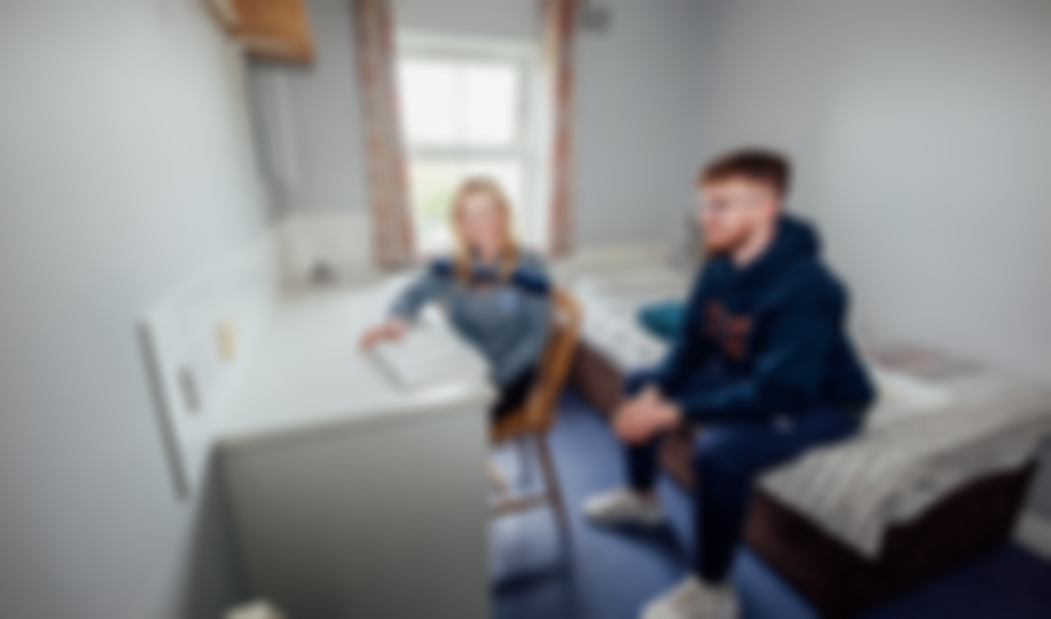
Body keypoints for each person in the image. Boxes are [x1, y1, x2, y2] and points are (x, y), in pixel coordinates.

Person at [582, 150, 876, 619]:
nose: (705, 218)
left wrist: (675, 412)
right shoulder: (718, 266)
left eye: (720, 205)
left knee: (719, 451)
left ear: (766, 207)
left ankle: (713, 589)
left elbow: (780, 391)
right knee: (641, 380)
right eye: (704, 204)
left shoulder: (811, 286)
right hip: (749, 373)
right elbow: (691, 342)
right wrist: (660, 390)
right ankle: (643, 500)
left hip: (820, 398)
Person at [360, 177, 554, 421]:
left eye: (485, 212)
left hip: (509, 374)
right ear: (459, 223)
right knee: (405, 405)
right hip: (462, 364)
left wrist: (494, 380)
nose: (476, 223)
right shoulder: (452, 263)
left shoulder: (531, 267)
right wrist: (398, 319)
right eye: (467, 215)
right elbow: (412, 294)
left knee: (439, 421)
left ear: (503, 216)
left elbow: (535, 338)